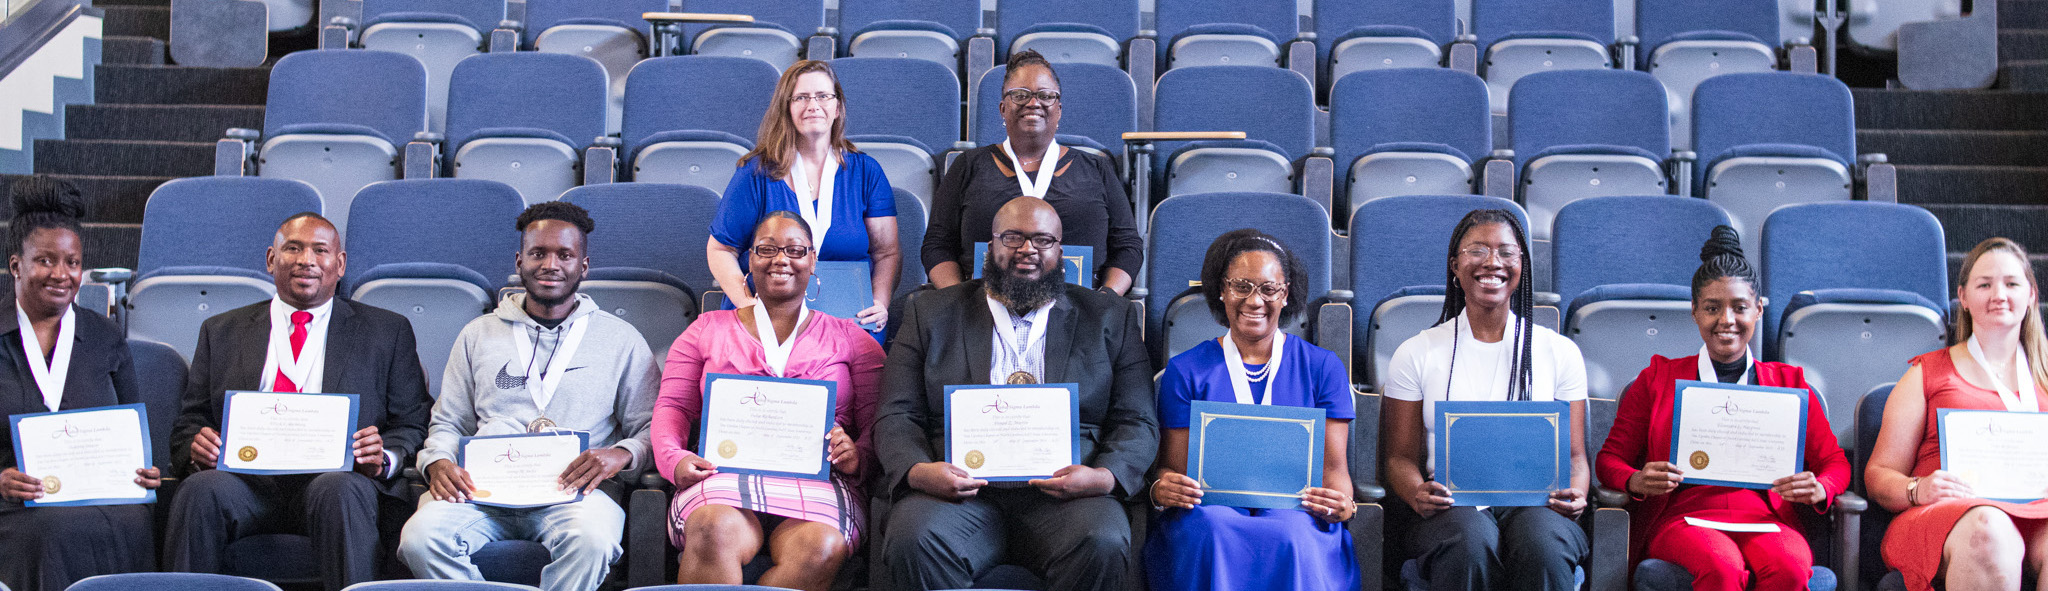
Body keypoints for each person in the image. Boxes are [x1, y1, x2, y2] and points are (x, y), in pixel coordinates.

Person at [874, 196, 1157, 590]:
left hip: (1070, 497)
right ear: (990, 247)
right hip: (957, 495)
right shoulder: (931, 313)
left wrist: (1104, 478)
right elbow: (896, 413)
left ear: (1061, 251)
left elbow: (1137, 419)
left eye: (1043, 240)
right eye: (1012, 238)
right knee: (915, 537)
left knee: (1103, 540)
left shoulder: (1110, 317)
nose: (1028, 250)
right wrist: (918, 471)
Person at [397, 202, 658, 591]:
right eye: (538, 253)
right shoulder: (478, 334)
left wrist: (622, 454)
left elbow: (651, 427)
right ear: (520, 261)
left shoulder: (621, 339)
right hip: (482, 493)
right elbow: (449, 421)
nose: (550, 264)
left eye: (565, 255)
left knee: (593, 542)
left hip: (574, 495)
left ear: (583, 266)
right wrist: (437, 462)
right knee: (420, 539)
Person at [166, 212, 431, 591]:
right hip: (246, 482)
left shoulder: (387, 331)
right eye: (294, 248)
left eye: (320, 250)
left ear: (339, 265)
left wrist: (384, 456)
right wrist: (197, 445)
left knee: (340, 490)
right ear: (271, 259)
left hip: (337, 480)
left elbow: (412, 421)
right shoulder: (222, 331)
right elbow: (191, 420)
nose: (306, 259)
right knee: (200, 490)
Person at [1594, 226, 1849, 590]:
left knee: (1791, 568)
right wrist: (1635, 480)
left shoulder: (1789, 383)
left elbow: (1835, 463)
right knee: (1722, 567)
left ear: (1758, 310)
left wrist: (1821, 487)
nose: (1726, 320)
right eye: (1712, 308)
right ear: (1694, 312)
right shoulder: (1657, 378)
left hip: (1766, 519)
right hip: (1685, 519)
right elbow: (1609, 460)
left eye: (1739, 307)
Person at [655, 211, 886, 590]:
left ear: (813, 261)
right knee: (713, 529)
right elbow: (673, 407)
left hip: (823, 482)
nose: (781, 259)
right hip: (721, 476)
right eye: (767, 249)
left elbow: (881, 418)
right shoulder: (706, 329)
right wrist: (674, 459)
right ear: (749, 260)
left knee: (822, 548)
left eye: (795, 250)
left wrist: (859, 453)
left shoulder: (852, 338)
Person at [1380, 209, 1591, 591]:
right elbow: (1399, 457)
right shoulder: (1416, 352)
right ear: (1455, 266)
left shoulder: (1559, 352)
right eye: (1477, 250)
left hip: (1536, 503)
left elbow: (1575, 457)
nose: (1492, 262)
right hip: (1450, 505)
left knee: (1542, 544)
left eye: (1506, 252)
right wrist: (1416, 492)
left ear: (1521, 266)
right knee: (1470, 541)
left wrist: (1576, 492)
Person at [1144, 229, 1361, 591]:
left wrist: (1344, 504)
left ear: (1286, 293)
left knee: (1293, 535)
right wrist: (1163, 487)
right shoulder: (1186, 369)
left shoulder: (1323, 367)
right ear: (1221, 290)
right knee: (1212, 530)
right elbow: (1172, 467)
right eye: (1241, 286)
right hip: (1210, 511)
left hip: (1296, 511)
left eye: (1268, 288)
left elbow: (1334, 471)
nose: (1254, 300)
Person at [0, 177, 158, 591]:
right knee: (48, 532)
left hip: (98, 496)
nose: (61, 275)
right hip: (13, 502)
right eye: (45, 261)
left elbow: (131, 424)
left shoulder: (104, 335)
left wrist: (146, 470)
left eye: (72, 263)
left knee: (136, 520)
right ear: (16, 265)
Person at [1865, 237, 2048, 591]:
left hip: (2037, 511)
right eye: (1984, 284)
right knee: (1989, 530)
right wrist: (1919, 488)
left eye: (2011, 284)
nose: (1999, 294)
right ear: (1962, 297)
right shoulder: (1927, 373)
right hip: (1947, 514)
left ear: (2031, 295)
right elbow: (1878, 475)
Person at [922, 50, 1142, 295]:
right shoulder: (968, 166)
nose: (1033, 102)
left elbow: (1128, 247)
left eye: (1045, 95)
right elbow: (937, 245)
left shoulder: (1097, 169)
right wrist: (957, 300)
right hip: (981, 313)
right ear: (1003, 108)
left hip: (1079, 318)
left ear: (1058, 109)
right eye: (1020, 95)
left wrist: (1104, 301)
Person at [709, 59, 899, 333]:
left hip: (848, 318)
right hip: (766, 315)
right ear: (786, 108)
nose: (813, 105)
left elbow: (887, 252)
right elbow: (720, 249)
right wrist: (746, 305)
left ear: (837, 107)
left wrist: (880, 303)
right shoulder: (756, 172)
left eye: (823, 96)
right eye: (801, 97)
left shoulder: (866, 172)